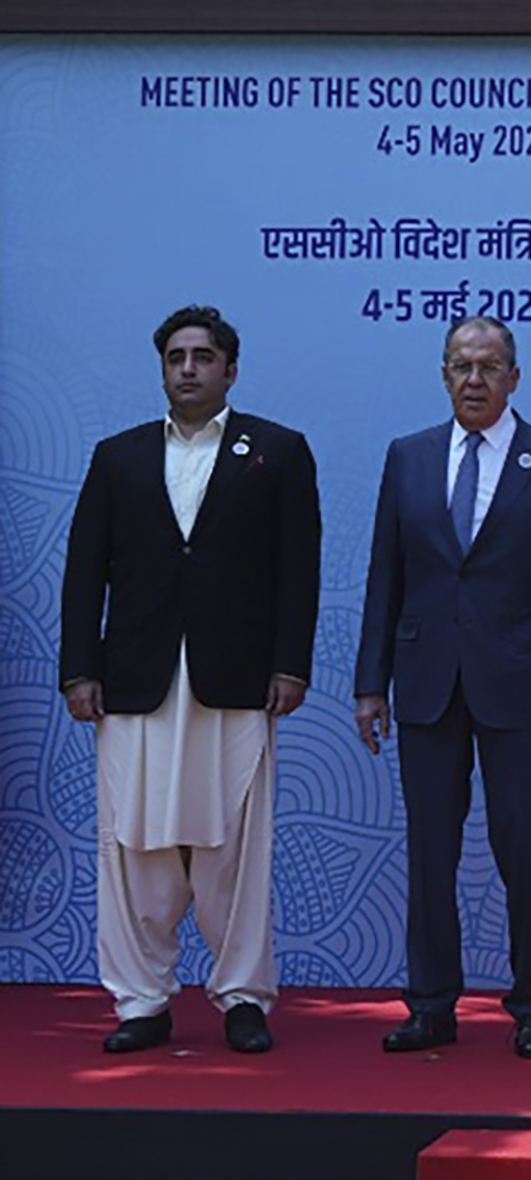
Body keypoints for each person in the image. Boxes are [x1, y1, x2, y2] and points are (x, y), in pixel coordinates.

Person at [59, 305, 320, 1055]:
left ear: (230, 370)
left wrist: (289, 665)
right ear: (163, 368)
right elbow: (85, 574)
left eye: (203, 357)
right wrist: (80, 668)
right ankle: (141, 1000)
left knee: (232, 845)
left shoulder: (276, 451)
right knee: (134, 842)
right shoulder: (119, 458)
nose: (188, 369)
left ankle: (242, 995)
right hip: (134, 680)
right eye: (176, 357)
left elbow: (297, 571)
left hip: (235, 678)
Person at [354, 316, 531, 1060]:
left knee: (526, 845)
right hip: (426, 681)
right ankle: (431, 1003)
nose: (474, 379)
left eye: (489, 366)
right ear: (443, 375)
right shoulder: (409, 457)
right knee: (429, 849)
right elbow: (385, 578)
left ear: (514, 378)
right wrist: (372, 684)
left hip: (523, 685)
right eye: (460, 365)